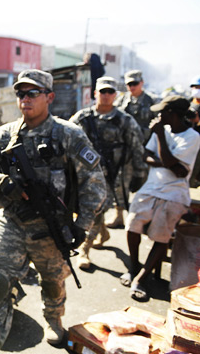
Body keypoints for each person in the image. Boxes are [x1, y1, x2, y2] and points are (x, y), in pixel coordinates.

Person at [0, 69, 106, 353]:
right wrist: (3, 182)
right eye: (21, 93)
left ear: (49, 97)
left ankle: (54, 320)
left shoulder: (68, 134)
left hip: (50, 225)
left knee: (53, 282)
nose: (25, 99)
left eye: (33, 93)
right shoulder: (4, 134)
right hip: (12, 221)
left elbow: (93, 183)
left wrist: (82, 225)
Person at [122, 96, 200, 301]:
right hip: (151, 188)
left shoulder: (191, 137)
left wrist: (162, 144)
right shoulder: (161, 131)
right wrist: (168, 163)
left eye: (161, 112)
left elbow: (180, 173)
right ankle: (134, 267)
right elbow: (147, 156)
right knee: (132, 225)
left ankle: (141, 278)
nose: (157, 116)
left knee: (161, 236)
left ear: (172, 114)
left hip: (174, 193)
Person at [70, 76, 147, 269]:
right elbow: (66, 140)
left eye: (110, 92)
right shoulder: (83, 118)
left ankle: (84, 249)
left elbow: (137, 147)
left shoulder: (124, 120)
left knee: (95, 210)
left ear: (115, 95)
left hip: (112, 175)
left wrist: (139, 174)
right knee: (88, 209)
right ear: (95, 94)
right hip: (84, 175)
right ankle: (103, 233)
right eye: (102, 92)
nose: (106, 95)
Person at [110, 70, 158, 229]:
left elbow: (159, 127)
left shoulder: (151, 101)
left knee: (142, 183)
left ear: (141, 83)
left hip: (144, 150)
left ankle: (142, 218)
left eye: (134, 83)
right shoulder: (122, 100)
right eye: (129, 84)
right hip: (124, 150)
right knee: (120, 184)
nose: (131, 87)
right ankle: (119, 216)